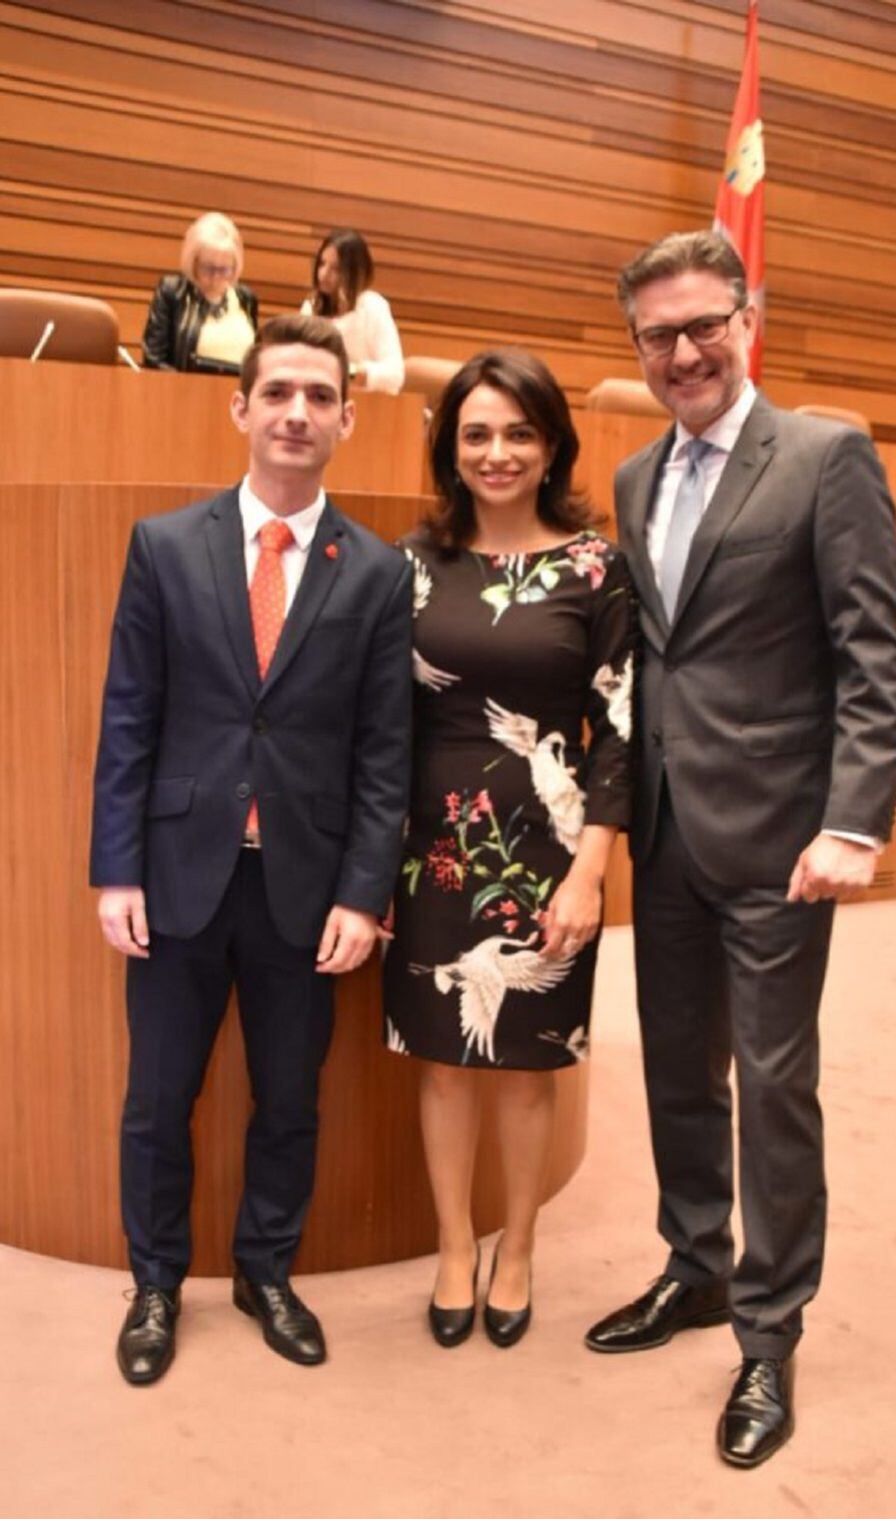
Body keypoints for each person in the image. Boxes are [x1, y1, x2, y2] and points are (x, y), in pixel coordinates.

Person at [585, 230, 896, 1466]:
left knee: (773, 1085)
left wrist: (853, 818)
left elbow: (873, 651)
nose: (683, 351)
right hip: (667, 835)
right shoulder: (630, 477)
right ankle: (697, 1266)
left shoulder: (826, 456)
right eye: (658, 335)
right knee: (676, 1066)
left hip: (785, 841)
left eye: (703, 323)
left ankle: (769, 1338)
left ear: (748, 314)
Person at [91, 314, 412, 1385]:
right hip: (178, 877)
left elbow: (383, 748)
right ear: (240, 408)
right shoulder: (165, 546)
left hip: (304, 887)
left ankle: (266, 1269)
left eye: (319, 397)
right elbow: (128, 717)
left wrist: (366, 893)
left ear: (345, 421)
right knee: (158, 1098)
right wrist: (116, 867)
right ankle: (154, 1285)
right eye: (277, 392)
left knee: (290, 1095)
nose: (296, 413)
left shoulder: (374, 573)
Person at [382, 349, 633, 1349]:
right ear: (449, 444)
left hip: (553, 848)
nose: (497, 452)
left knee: (529, 1064)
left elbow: (622, 723)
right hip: (429, 846)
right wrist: (374, 864)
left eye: (519, 432)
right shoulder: (409, 564)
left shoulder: (596, 567)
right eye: (477, 432)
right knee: (442, 1061)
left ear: (552, 445)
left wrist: (593, 868)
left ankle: (517, 1245)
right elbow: (379, 722)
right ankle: (455, 1245)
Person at [141, 211, 258, 371]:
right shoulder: (173, 292)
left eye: (224, 269)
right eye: (208, 268)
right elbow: (153, 359)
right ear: (193, 262)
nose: (216, 277)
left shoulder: (246, 298)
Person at [301, 227, 404, 394]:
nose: (323, 274)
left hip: (368, 404)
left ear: (353, 272)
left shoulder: (373, 306)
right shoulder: (311, 306)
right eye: (321, 263)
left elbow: (394, 374)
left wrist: (349, 373)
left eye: (335, 269)